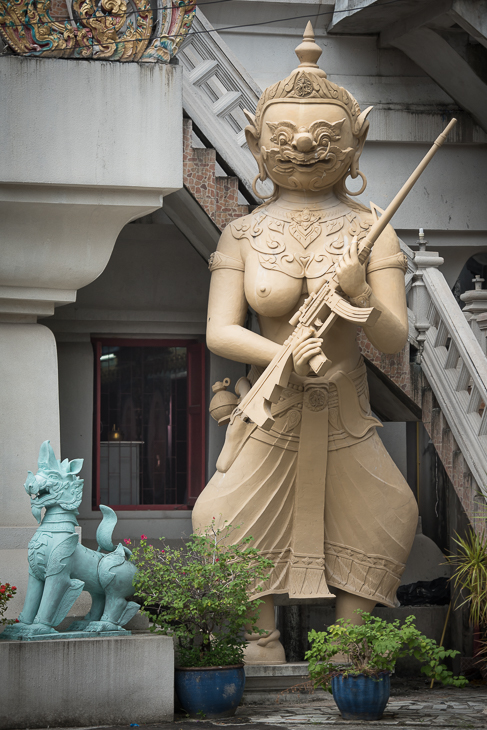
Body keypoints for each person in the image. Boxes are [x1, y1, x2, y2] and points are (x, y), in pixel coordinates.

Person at [192, 23, 418, 664]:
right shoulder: (242, 231)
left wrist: (362, 292)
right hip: (272, 404)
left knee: (392, 513)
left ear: (355, 143)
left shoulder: (374, 232)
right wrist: (284, 355)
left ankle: (347, 644)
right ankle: (259, 636)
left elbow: (394, 341)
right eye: (283, 137)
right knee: (218, 521)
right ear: (257, 144)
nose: (302, 148)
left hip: (344, 409)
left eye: (323, 138)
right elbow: (221, 331)